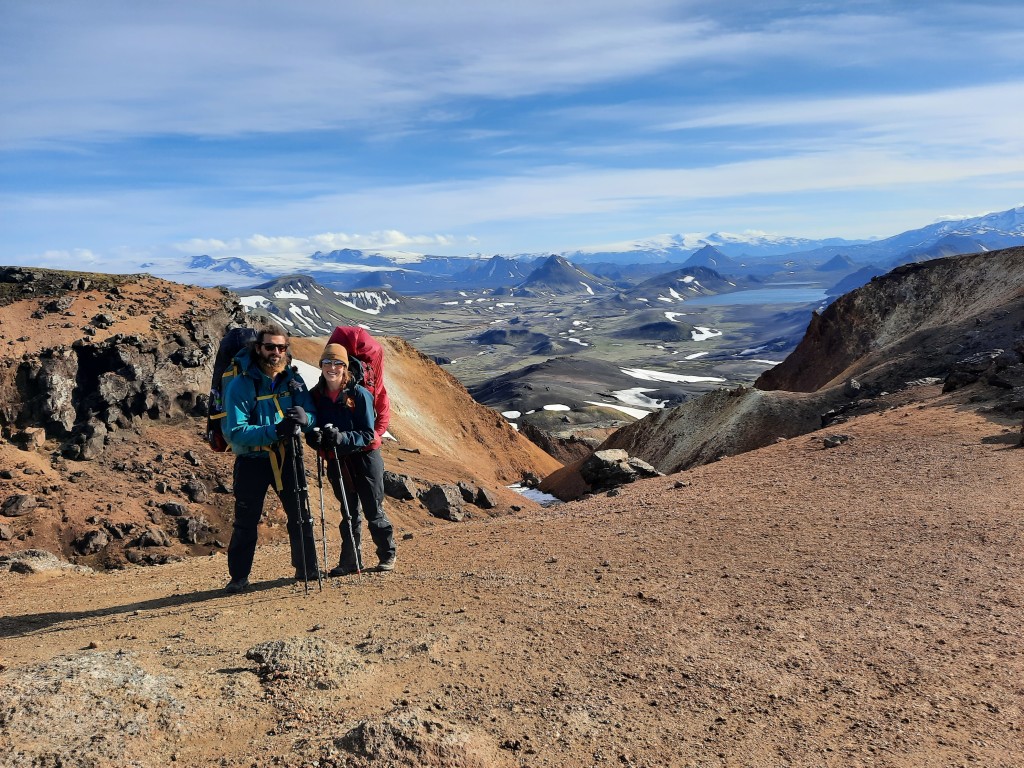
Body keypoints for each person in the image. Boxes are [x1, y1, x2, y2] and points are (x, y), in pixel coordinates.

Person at [222, 324, 319, 593]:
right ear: (258, 349)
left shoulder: (293, 381)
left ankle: (307, 568)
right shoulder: (241, 385)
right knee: (246, 520)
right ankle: (238, 577)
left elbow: (310, 414)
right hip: (252, 461)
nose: (276, 352)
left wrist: (306, 420)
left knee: (300, 514)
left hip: (289, 456)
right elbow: (236, 431)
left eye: (281, 347)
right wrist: (275, 430)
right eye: (270, 347)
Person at [308, 342, 396, 575]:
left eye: (338, 363)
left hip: (365, 458)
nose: (332, 367)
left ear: (345, 367)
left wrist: (342, 437)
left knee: (372, 510)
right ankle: (350, 561)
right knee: (349, 512)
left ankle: (387, 555)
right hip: (337, 460)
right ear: (321, 365)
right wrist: (314, 439)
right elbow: (311, 427)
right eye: (328, 362)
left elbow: (368, 433)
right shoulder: (315, 395)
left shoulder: (360, 395)